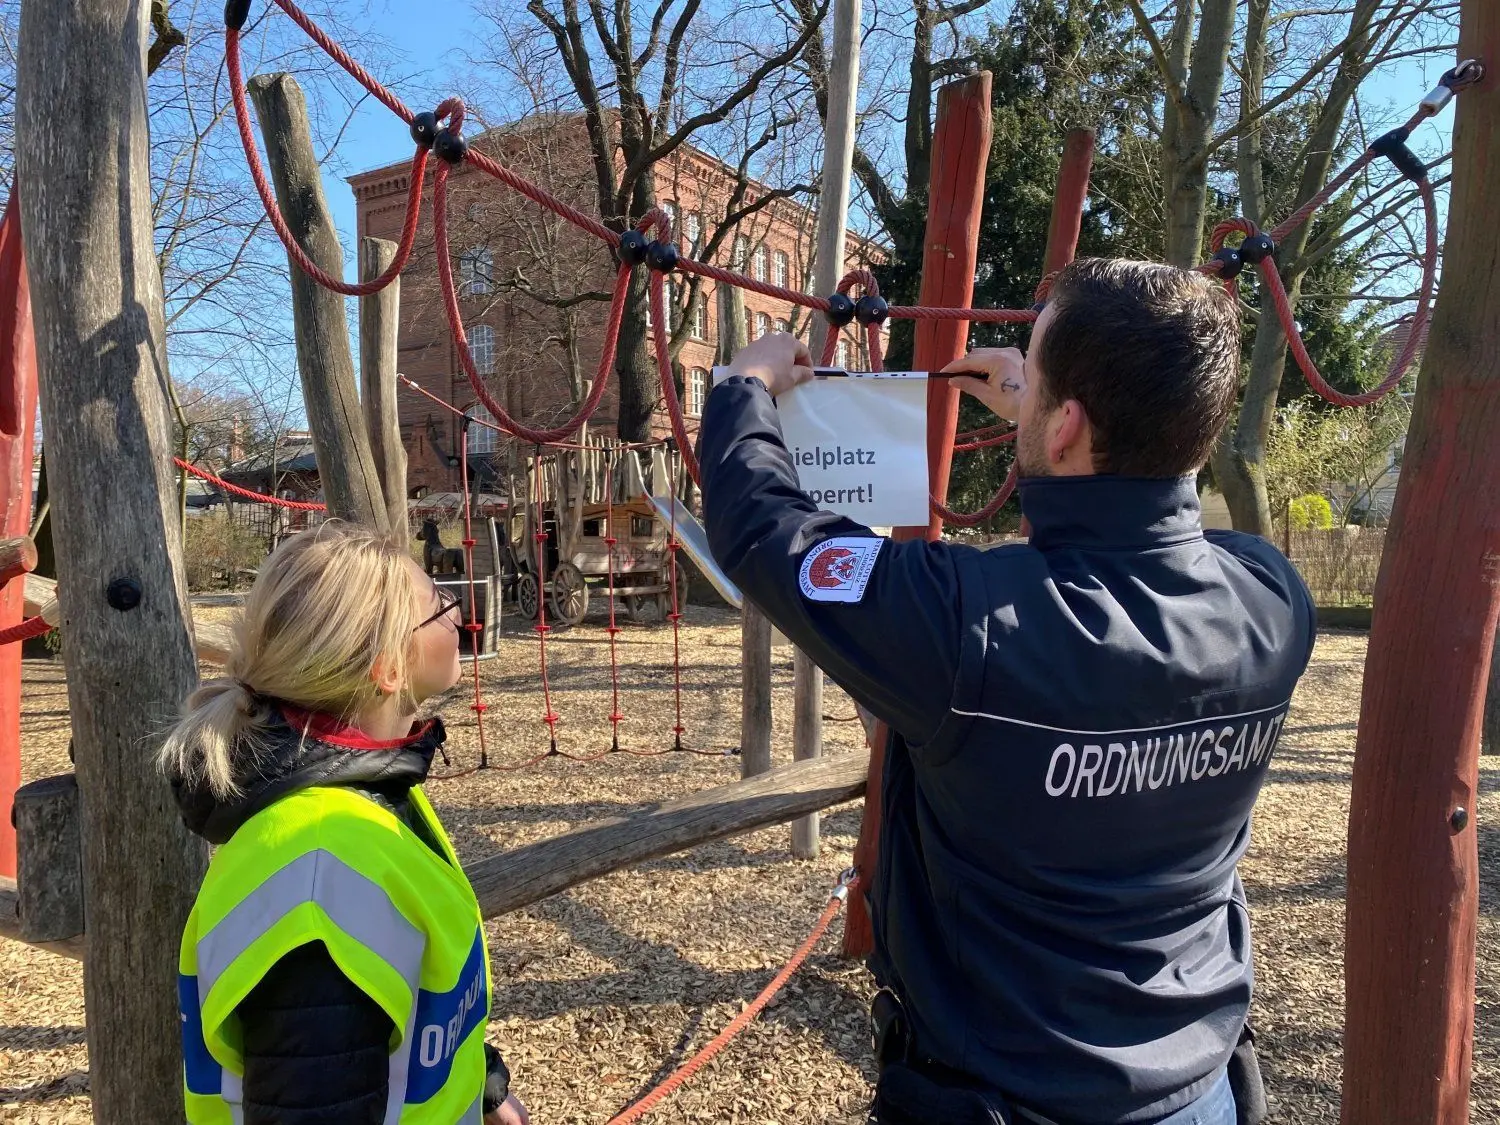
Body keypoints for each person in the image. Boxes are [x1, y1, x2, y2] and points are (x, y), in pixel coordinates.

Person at [697, 258, 1315, 1125]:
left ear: (1065, 427)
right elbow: (1113, 551)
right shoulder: (1272, 601)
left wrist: (741, 388)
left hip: (1012, 1097)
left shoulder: (968, 625)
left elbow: (765, 529)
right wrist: (1050, 400)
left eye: (1037, 372)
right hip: (1197, 1081)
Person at [163, 523, 529, 1125]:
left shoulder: (365, 788)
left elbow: (405, 993)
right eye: (439, 606)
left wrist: (483, 1087)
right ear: (387, 670)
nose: (456, 616)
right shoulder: (317, 883)